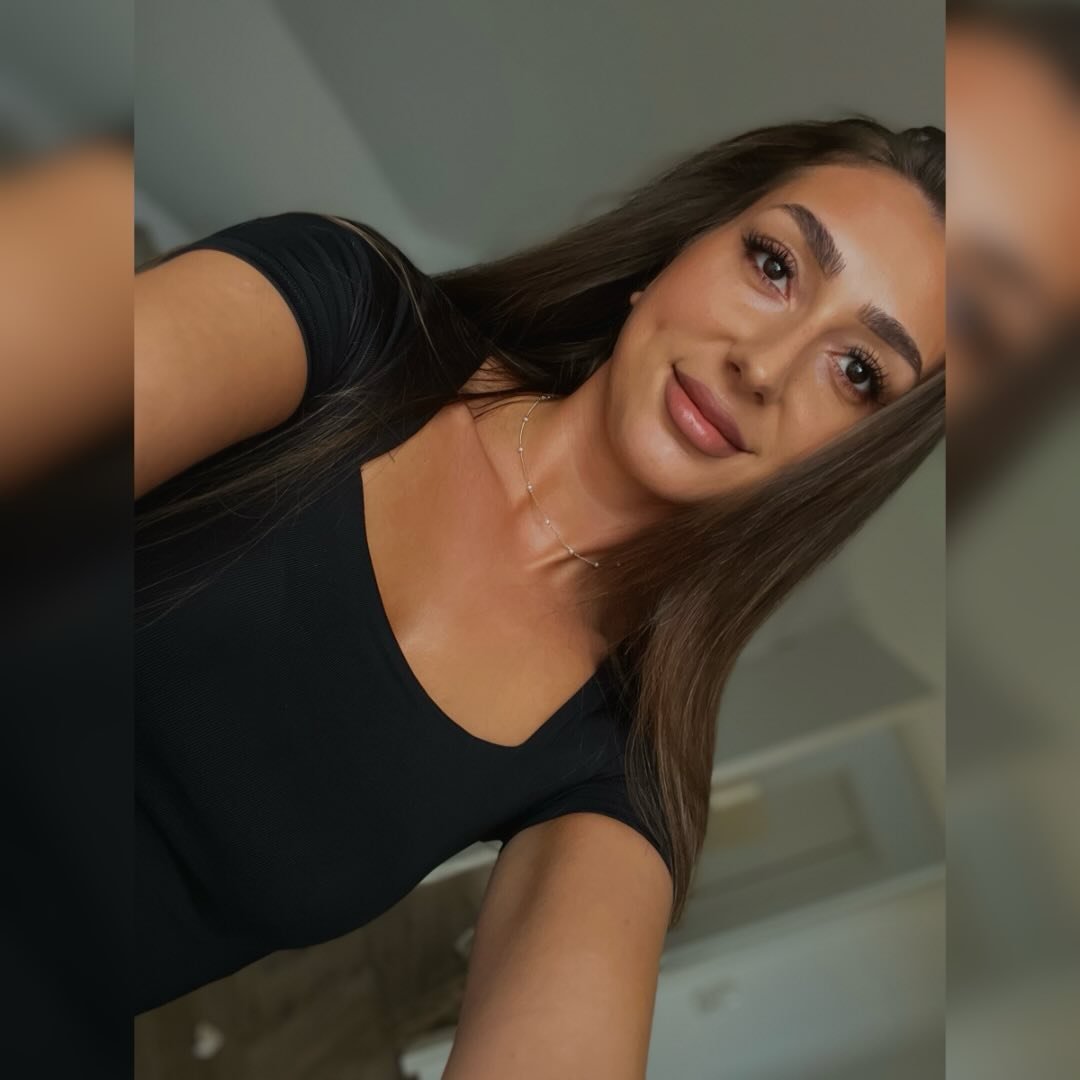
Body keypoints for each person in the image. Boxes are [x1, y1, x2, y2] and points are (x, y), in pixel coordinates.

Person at [134, 116, 945, 1072]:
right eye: (774, 265)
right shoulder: (344, 313)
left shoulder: (620, 766)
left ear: (848, 466)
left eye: (858, 373)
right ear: (680, 250)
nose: (761, 368)